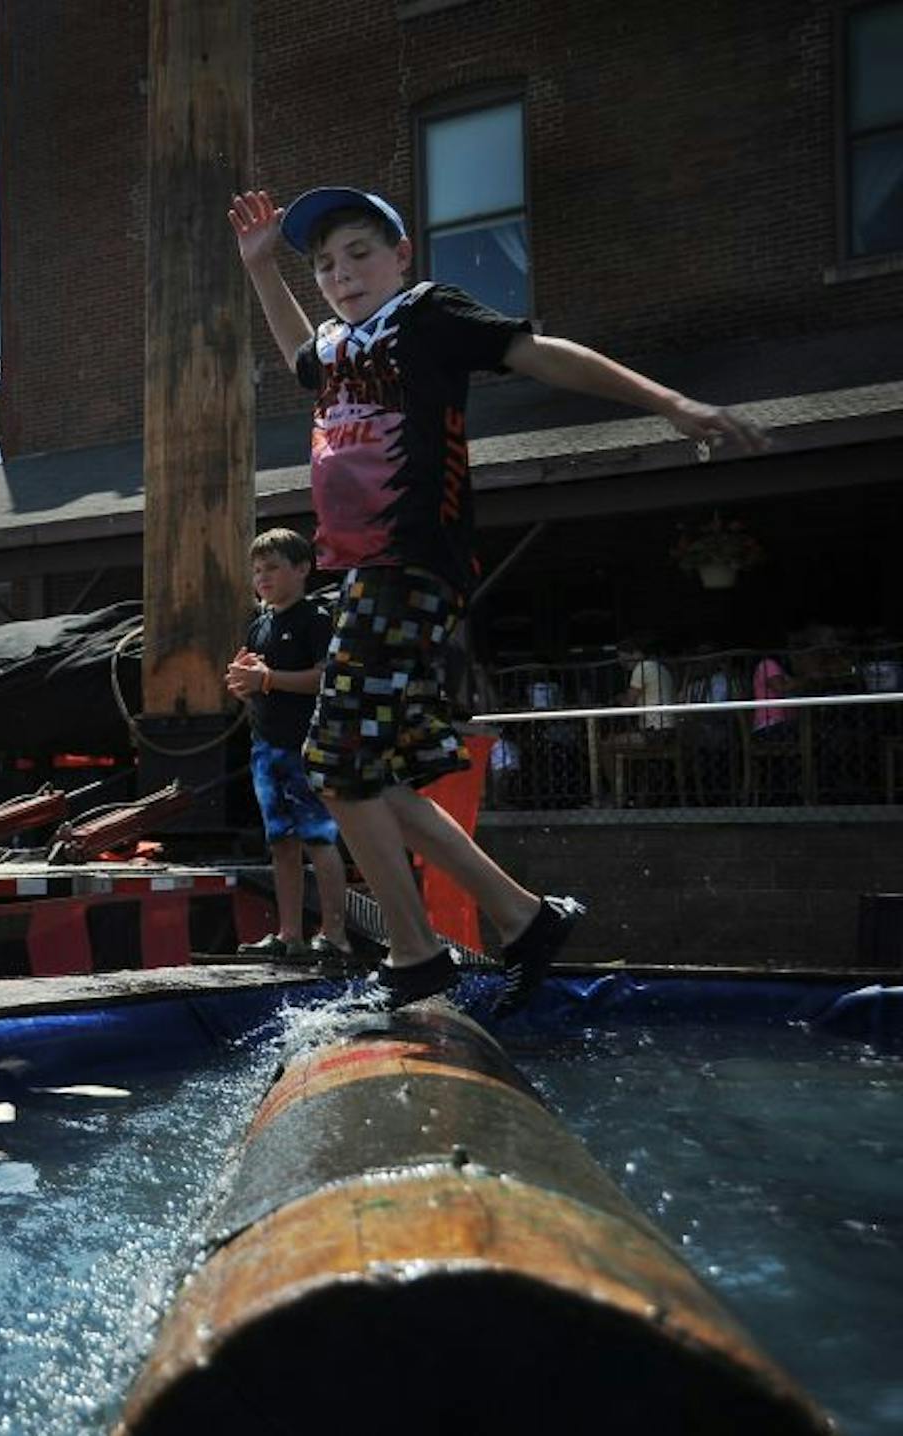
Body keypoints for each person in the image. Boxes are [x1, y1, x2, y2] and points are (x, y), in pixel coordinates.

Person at [229, 185, 767, 1010]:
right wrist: (264, 269)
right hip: (365, 573)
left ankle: (415, 956)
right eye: (327, 265)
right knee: (375, 773)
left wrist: (671, 403)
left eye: (360, 254)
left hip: (413, 564)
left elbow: (541, 353)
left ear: (402, 255)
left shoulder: (426, 313)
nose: (342, 275)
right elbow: (301, 351)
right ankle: (525, 919)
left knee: (334, 765)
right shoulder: (337, 344)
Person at [224, 528, 354, 965]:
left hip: (306, 746)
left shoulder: (315, 618)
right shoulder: (259, 624)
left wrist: (267, 679)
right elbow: (255, 683)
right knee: (281, 842)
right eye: (257, 570)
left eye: (273, 568)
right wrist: (244, 682)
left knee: (319, 838)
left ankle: (335, 935)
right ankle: (289, 934)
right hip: (266, 746)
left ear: (302, 569)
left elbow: (325, 678)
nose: (262, 577)